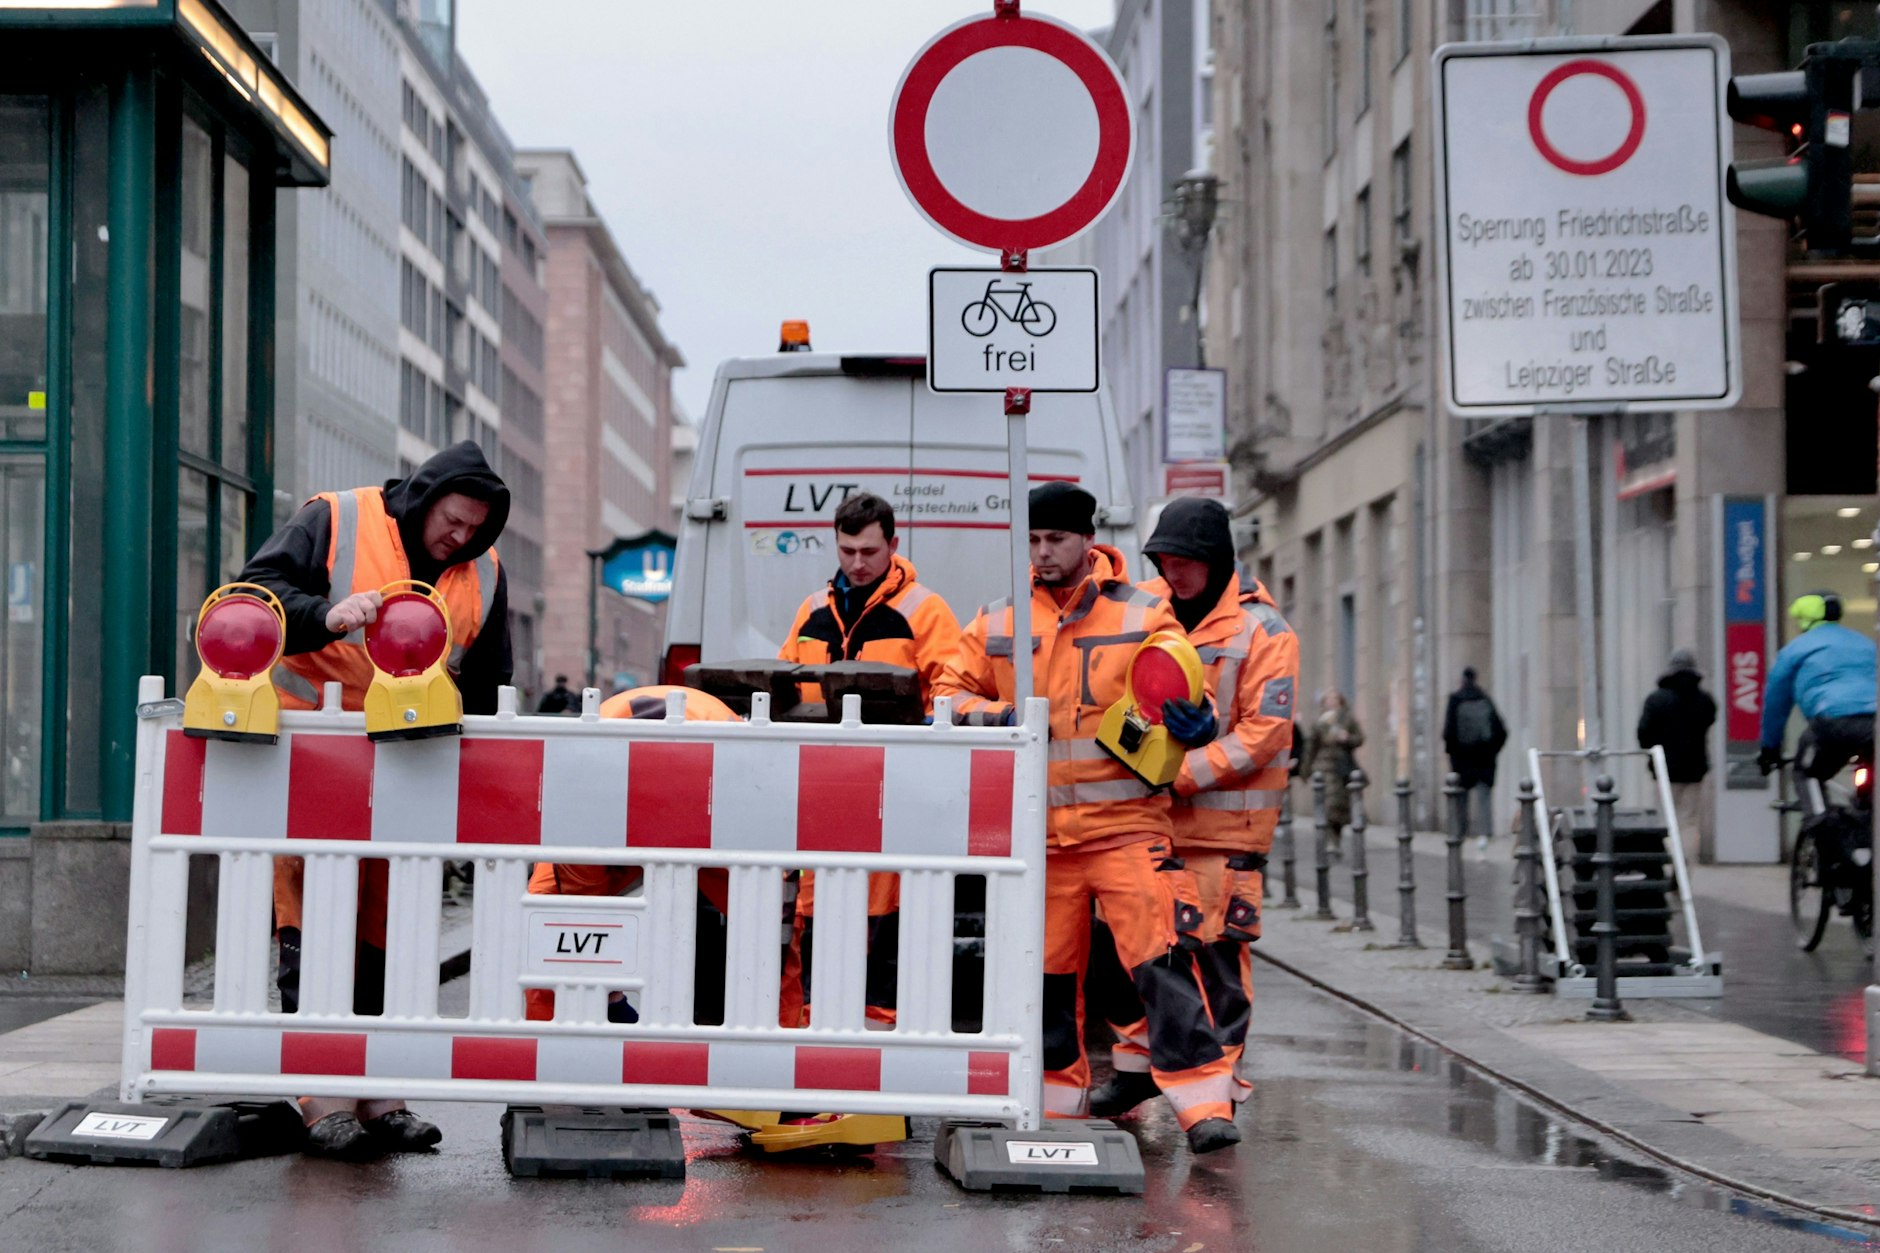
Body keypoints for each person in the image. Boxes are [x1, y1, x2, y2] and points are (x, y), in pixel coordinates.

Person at [935, 482, 1240, 1154]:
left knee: (1165, 962)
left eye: (1056, 540)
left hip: (1127, 826)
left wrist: (1199, 720)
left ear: (1087, 539)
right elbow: (947, 693)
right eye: (1034, 541)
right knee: (1045, 981)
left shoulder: (1144, 611)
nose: (1043, 553)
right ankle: (1057, 1110)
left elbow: (1184, 685)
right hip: (1039, 838)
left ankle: (1205, 1105)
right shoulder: (998, 621)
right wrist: (995, 718)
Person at [240, 440, 511, 1160]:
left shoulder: (482, 570)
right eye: (454, 521)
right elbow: (252, 598)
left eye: (475, 529)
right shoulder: (335, 518)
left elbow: (490, 683)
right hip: (315, 763)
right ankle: (320, 1097)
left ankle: (379, 1096)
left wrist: (482, 776)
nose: (462, 537)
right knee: (313, 926)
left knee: (388, 938)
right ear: (427, 497)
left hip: (410, 774)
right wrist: (325, 614)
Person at [1086, 497, 1298, 1129]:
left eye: (1185, 564)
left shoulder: (1265, 632)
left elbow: (1266, 731)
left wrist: (1180, 774)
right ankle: (1135, 1073)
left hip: (1220, 836)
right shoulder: (1148, 608)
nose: (1173, 574)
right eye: (1164, 561)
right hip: (1145, 825)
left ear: (1216, 562)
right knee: (1127, 956)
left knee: (1211, 963)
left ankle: (1216, 1090)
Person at [776, 492, 962, 1030]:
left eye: (869, 551)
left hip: (892, 789)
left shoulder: (925, 610)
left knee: (881, 914)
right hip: (822, 787)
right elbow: (789, 677)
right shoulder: (813, 610)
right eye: (847, 550)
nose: (857, 563)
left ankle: (878, 1031)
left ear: (893, 546)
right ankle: (818, 1029)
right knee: (814, 910)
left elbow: (949, 689)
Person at [1758, 591, 1877, 781]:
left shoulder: (1795, 649)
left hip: (1831, 721)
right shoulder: (1865, 643)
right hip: (1875, 720)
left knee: (1806, 773)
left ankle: (1820, 811)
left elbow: (1776, 703)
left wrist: (1770, 749)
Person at [1637, 648, 1717, 865]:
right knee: (1689, 822)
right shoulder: (1705, 700)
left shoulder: (1656, 700)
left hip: (1664, 769)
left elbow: (1644, 735)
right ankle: (1686, 868)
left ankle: (1670, 865)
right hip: (1695, 770)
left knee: (1667, 819)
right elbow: (1709, 721)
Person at [1442, 667, 1508, 854]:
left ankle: (1460, 834)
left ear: (1462, 680)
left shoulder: (1455, 700)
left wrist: (1453, 755)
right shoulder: (1485, 700)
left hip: (1462, 760)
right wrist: (1492, 750)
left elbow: (1448, 733)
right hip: (1485, 759)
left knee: (1461, 799)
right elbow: (1501, 731)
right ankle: (1484, 834)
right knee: (1484, 798)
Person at [1301, 691, 1364, 859]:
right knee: (1328, 805)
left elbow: (1360, 739)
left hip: (1341, 768)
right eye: (1329, 700)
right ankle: (1330, 841)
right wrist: (1305, 771)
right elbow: (1310, 747)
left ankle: (1335, 839)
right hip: (1323, 769)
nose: (1332, 702)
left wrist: (1347, 738)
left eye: (1335, 699)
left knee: (1340, 809)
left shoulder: (1347, 720)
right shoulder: (1319, 723)